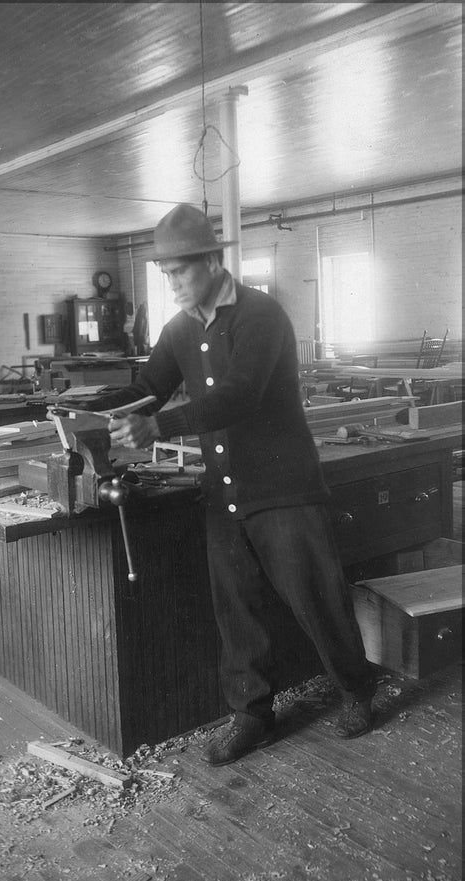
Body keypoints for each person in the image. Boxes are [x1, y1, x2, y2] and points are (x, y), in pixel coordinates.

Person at [87, 203, 377, 766]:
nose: (172, 284)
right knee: (237, 609)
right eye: (166, 274)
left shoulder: (261, 316)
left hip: (282, 486)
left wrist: (161, 424)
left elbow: (239, 394)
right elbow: (150, 384)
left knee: (315, 597)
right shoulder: (178, 328)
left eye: (181, 272)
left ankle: (356, 691)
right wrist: (83, 410)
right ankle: (253, 715)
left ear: (214, 262)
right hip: (225, 491)